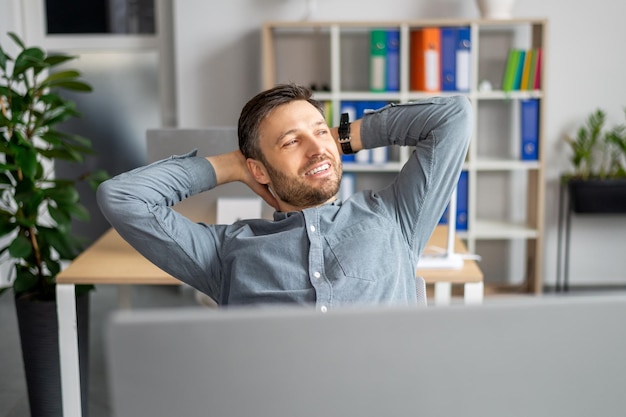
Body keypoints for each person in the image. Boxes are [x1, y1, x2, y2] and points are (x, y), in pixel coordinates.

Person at [97, 83, 472, 311]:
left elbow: (454, 117)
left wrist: (340, 139)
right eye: (291, 141)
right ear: (258, 169)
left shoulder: (394, 217)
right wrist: (233, 165)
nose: (315, 150)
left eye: (319, 132)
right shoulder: (225, 252)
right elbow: (123, 197)